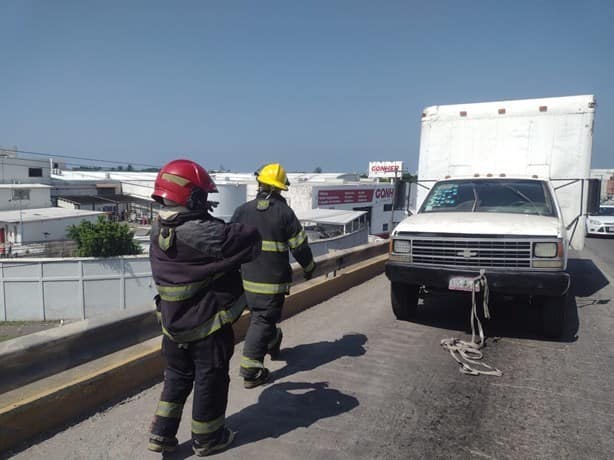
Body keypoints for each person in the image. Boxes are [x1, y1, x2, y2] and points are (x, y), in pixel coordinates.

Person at [147, 159, 261, 456]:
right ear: (192, 196)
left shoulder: (158, 225)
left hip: (172, 323)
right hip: (205, 323)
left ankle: (161, 433)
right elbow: (248, 239)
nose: (206, 202)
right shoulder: (204, 232)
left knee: (177, 376)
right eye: (203, 196)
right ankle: (208, 439)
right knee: (211, 378)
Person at [231, 163, 316, 389]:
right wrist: (309, 268)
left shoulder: (242, 210)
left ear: (260, 184)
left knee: (262, 318)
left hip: (245, 282)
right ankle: (251, 370)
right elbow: (300, 247)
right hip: (271, 285)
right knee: (262, 320)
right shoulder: (284, 213)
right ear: (279, 188)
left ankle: (272, 340)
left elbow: (228, 244)